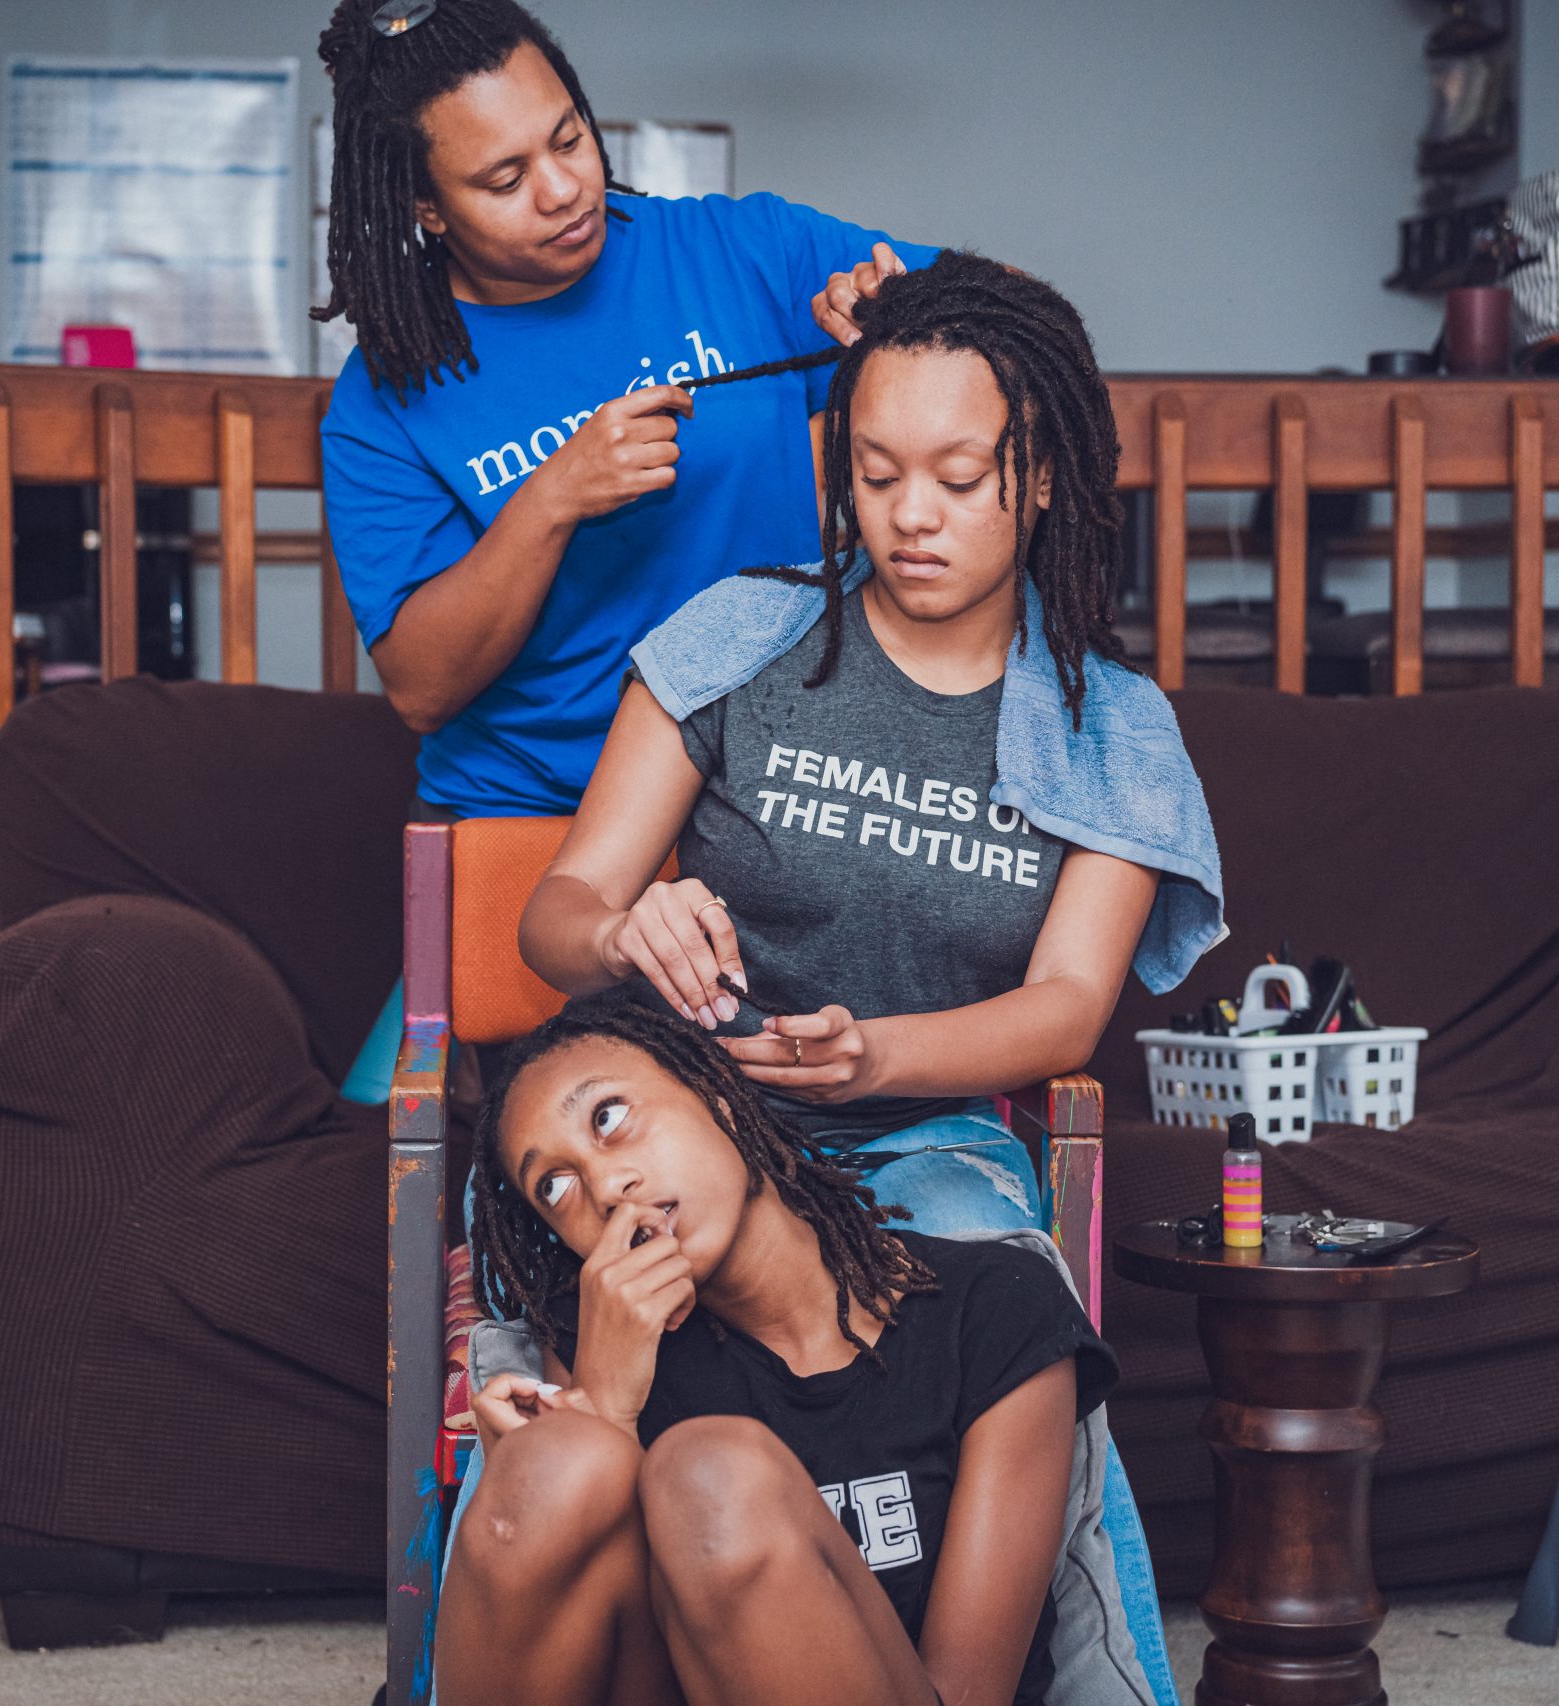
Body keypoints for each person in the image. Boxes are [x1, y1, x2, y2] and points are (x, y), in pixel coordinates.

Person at [509, 252, 1223, 1701]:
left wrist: (875, 1057)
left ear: (1040, 479)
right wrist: (624, 931)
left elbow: (1069, 1005)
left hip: (923, 1134)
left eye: (961, 476)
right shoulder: (740, 637)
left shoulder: (1112, 726)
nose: (911, 515)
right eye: (879, 470)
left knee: (1010, 1287)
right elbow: (560, 908)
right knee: (544, 1395)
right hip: (678, 1133)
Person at [315, 0, 935, 820]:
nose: (565, 188)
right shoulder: (383, 396)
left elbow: (1012, 321)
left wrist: (895, 328)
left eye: (569, 137)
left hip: (782, 801)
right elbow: (422, 690)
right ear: (427, 208)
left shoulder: (743, 250)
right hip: (534, 815)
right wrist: (553, 496)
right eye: (506, 179)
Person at [435, 998, 1145, 1706]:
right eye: (555, 1186)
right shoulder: (599, 1343)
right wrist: (603, 1410)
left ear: (721, 1097)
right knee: (556, 1464)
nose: (606, 1187)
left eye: (610, 1119)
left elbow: (966, 1694)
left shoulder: (995, 1307)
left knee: (710, 1475)